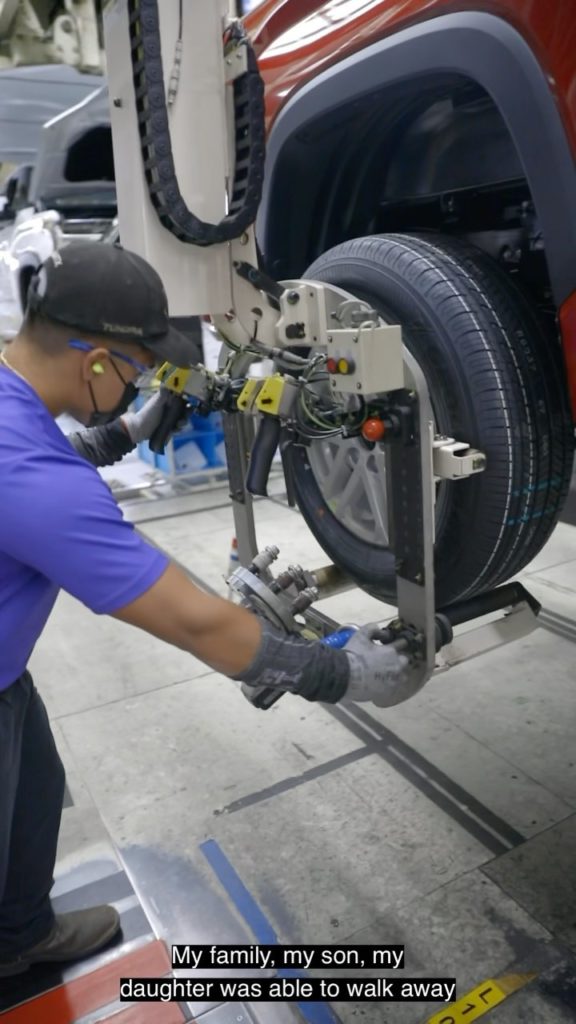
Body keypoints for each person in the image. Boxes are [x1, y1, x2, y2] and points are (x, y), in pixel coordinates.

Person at [0, 240, 412, 979]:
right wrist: (339, 673)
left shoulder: (12, 386)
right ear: (95, 361)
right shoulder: (33, 483)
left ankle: (21, 932)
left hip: (7, 674)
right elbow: (196, 623)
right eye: (136, 371)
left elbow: (49, 452)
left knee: (32, 798)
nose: (139, 384)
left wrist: (129, 428)